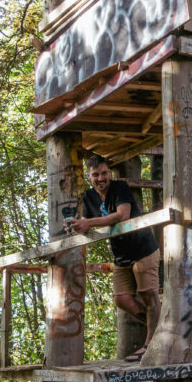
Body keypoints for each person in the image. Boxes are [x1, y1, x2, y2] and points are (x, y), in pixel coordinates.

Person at [68, 154, 160, 362]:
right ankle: (163, 328)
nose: (101, 178)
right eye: (95, 175)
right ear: (89, 177)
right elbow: (85, 220)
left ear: (109, 173)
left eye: (104, 173)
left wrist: (89, 223)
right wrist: (77, 226)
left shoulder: (120, 188)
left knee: (148, 294)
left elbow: (123, 215)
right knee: (121, 299)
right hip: (121, 255)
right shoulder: (88, 197)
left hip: (143, 248)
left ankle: (151, 345)